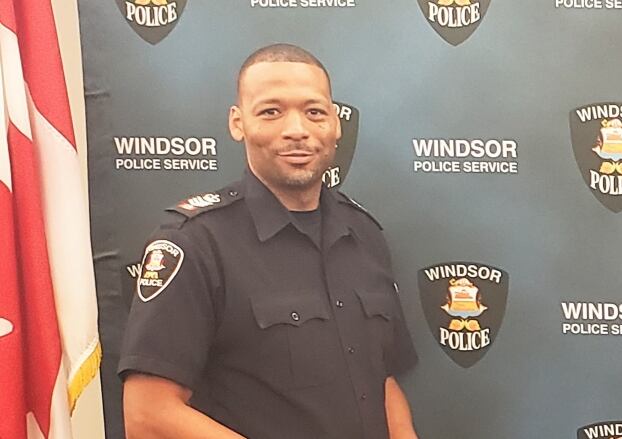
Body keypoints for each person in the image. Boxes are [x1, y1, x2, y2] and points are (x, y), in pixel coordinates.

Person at [119, 43, 419, 439]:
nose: (297, 130)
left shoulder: (364, 234)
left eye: (314, 112)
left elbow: (381, 380)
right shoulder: (195, 244)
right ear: (237, 122)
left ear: (336, 123)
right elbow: (149, 416)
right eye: (271, 112)